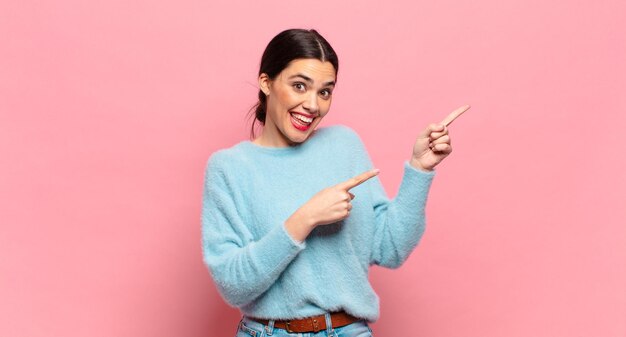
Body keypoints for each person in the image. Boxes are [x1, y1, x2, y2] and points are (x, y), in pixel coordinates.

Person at [201, 28, 467, 337]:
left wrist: (420, 169)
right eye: (299, 86)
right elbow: (234, 285)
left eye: (324, 91)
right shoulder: (229, 168)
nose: (313, 105)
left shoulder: (344, 145)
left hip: (347, 330)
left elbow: (391, 248)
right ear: (266, 83)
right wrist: (306, 218)